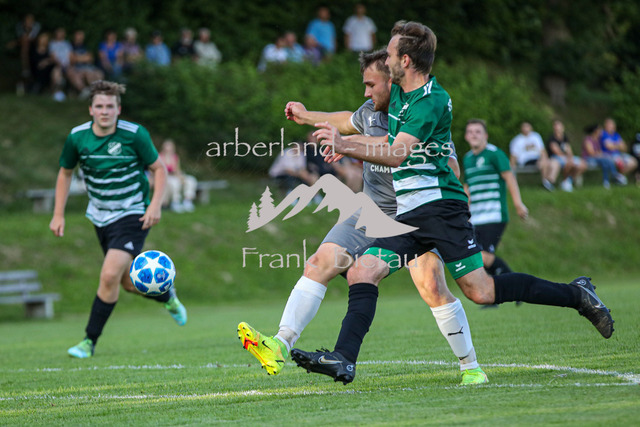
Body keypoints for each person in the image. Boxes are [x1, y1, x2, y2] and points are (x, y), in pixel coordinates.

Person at [291, 20, 614, 384]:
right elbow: (365, 126)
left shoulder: (431, 101)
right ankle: (344, 358)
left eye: (392, 53)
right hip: (409, 215)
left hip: (440, 209)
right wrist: (312, 119)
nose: (387, 59)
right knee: (362, 271)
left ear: (406, 61)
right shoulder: (398, 93)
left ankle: (576, 295)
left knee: (481, 291)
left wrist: (344, 145)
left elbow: (396, 153)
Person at [238, 49, 488, 385]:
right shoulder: (370, 112)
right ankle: (279, 345)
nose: (366, 93)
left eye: (371, 85)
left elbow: (450, 168)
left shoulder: (420, 114)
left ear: (393, 81)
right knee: (319, 262)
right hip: (370, 210)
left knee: (433, 287)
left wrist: (360, 146)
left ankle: (470, 366)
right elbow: (345, 119)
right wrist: (306, 115)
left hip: (414, 216)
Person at [49, 80, 187, 358]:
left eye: (110, 106)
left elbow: (159, 169)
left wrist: (155, 205)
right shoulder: (77, 137)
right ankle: (167, 296)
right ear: (91, 109)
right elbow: (65, 173)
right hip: (100, 216)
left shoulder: (134, 135)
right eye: (99, 106)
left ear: (118, 109)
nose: (105, 111)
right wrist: (58, 213)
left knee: (109, 275)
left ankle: (88, 341)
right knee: (126, 283)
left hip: (133, 212)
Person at [463, 119, 528, 281]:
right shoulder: (467, 158)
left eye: (478, 132)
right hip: (476, 217)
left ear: (486, 135)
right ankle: (495, 292)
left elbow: (509, 178)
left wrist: (518, 204)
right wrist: (464, 212)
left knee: (483, 257)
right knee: (476, 259)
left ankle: (516, 283)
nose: (474, 135)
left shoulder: (494, 153)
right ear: (466, 136)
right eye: (470, 132)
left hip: (494, 215)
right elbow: (467, 188)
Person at [510, 122, 559, 191]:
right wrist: (512, 166)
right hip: (527, 160)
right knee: (544, 162)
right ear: (521, 129)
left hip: (538, 159)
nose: (526, 129)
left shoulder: (536, 136)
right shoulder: (517, 140)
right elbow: (514, 155)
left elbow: (542, 150)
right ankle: (546, 183)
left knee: (555, 162)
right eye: (524, 127)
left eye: (527, 127)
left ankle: (550, 181)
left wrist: (544, 158)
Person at [547, 119, 587, 192]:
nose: (558, 129)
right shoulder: (552, 138)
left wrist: (570, 157)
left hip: (565, 157)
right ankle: (565, 181)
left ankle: (569, 180)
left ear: (562, 128)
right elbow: (557, 152)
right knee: (569, 164)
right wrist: (568, 158)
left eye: (559, 127)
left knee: (583, 164)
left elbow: (569, 149)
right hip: (556, 158)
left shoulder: (565, 138)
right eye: (556, 127)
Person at [159, 139, 198, 213]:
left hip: (175, 175)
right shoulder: (160, 157)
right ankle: (175, 202)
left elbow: (177, 169)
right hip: (166, 177)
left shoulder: (175, 157)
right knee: (175, 183)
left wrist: (181, 177)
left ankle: (187, 201)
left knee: (191, 180)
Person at [67, 30, 104, 99]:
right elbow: (72, 59)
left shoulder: (86, 46)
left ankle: (95, 92)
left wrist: (78, 57)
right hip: (77, 68)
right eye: (79, 35)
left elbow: (90, 58)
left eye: (82, 36)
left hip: (87, 67)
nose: (81, 37)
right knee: (87, 74)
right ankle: (87, 91)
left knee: (99, 74)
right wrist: (84, 57)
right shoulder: (70, 46)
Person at [581, 124, 618, 189]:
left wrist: (600, 154)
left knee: (605, 162)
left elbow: (600, 152)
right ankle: (614, 176)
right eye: (600, 130)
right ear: (596, 131)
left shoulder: (597, 140)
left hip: (597, 159)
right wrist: (599, 154)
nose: (601, 131)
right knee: (605, 160)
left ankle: (606, 182)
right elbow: (591, 153)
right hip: (588, 159)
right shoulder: (588, 139)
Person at [29, 32, 64, 97]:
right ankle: (55, 91)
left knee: (56, 70)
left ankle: (56, 92)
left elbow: (55, 61)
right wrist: (47, 61)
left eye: (45, 39)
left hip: (49, 70)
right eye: (42, 39)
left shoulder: (49, 51)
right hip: (37, 71)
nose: (43, 41)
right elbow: (37, 64)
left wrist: (47, 61)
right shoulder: (34, 50)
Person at [48, 27, 73, 101]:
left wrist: (70, 64)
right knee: (57, 73)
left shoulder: (67, 44)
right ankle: (55, 92)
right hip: (57, 65)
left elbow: (71, 56)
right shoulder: (52, 44)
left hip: (68, 66)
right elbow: (52, 57)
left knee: (72, 73)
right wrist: (60, 64)